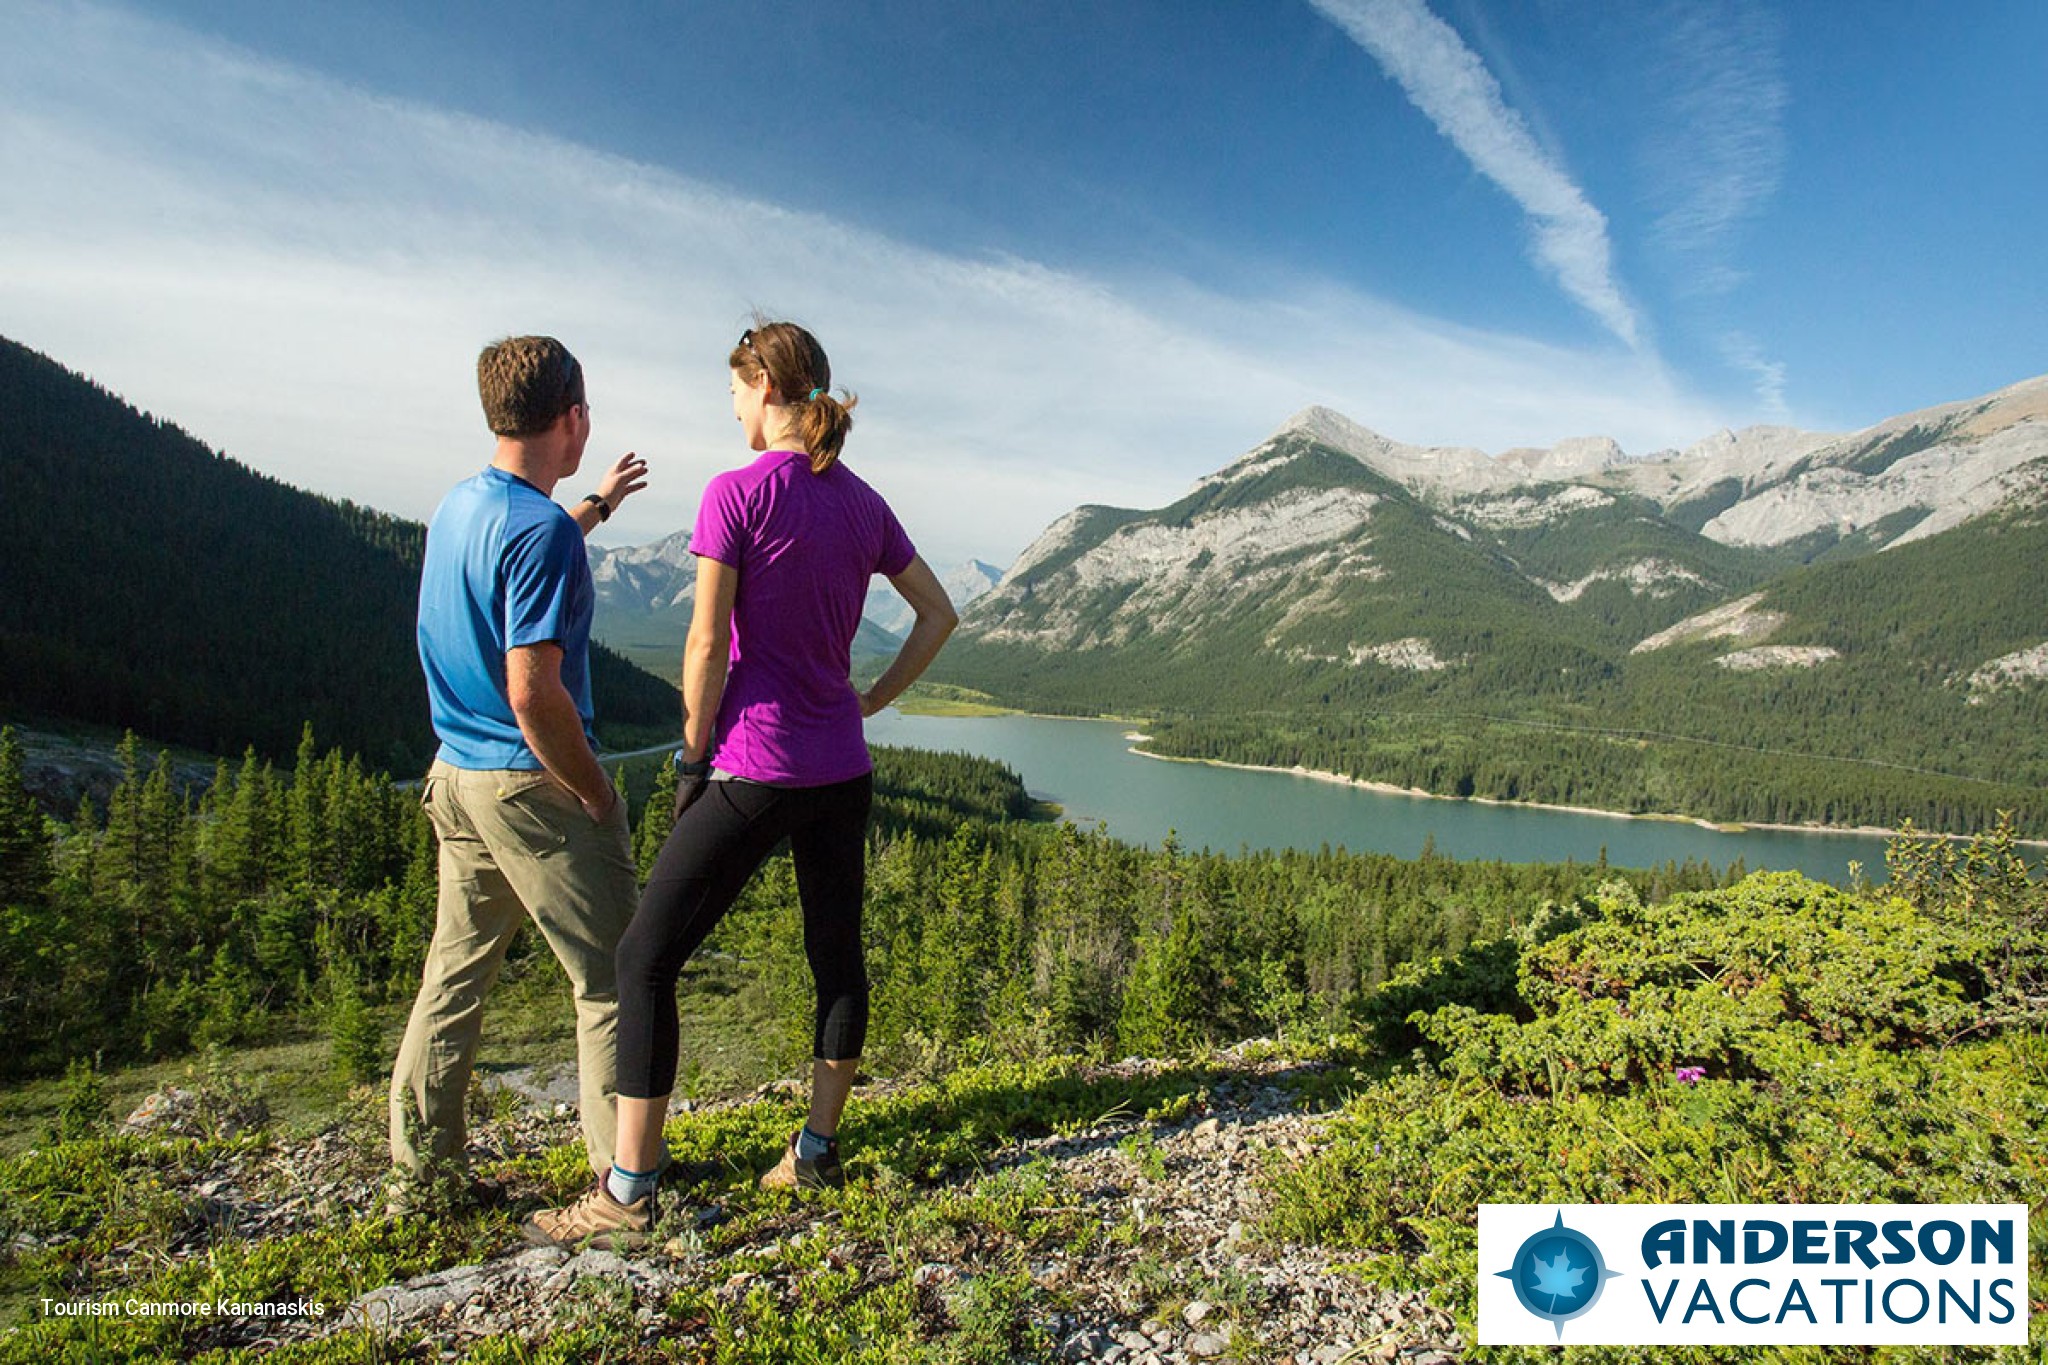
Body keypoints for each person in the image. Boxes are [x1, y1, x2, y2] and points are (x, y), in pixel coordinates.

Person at [525, 319, 956, 1248]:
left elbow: (702, 648)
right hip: (843, 768)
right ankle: (815, 1150)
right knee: (835, 957)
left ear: (764, 385)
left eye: (732, 391)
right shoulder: (864, 502)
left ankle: (628, 1193)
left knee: (643, 958)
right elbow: (939, 612)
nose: (730, 409)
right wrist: (871, 696)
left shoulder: (736, 494)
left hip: (757, 766)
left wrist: (689, 758)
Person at [391, 334, 650, 1208]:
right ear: (572, 417)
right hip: (530, 785)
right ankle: (622, 1181)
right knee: (615, 976)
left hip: (455, 776)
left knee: (453, 975)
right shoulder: (538, 534)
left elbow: (523, 554)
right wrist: (593, 786)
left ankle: (420, 1177)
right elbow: (536, 692)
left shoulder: (462, 507)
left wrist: (595, 508)